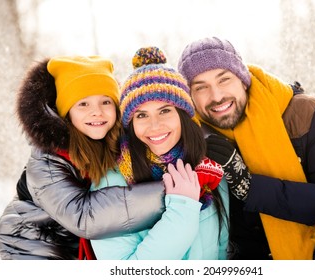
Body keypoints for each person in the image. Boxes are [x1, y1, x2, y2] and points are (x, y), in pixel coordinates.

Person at [177, 36, 315, 260]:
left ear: (244, 79)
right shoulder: (190, 139)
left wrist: (250, 187)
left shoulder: (307, 115)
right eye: (201, 87)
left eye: (224, 80)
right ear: (191, 97)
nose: (216, 96)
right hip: (245, 261)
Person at [0, 55, 165, 260]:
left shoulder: (114, 142)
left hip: (75, 246)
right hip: (31, 244)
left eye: (105, 101)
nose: (97, 112)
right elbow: (84, 216)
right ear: (66, 112)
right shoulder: (47, 161)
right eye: (83, 104)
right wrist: (173, 193)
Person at [90, 47, 229, 260]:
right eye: (142, 115)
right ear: (130, 125)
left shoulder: (209, 172)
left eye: (165, 110)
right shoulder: (110, 185)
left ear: (183, 116)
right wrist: (182, 211)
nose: (155, 126)